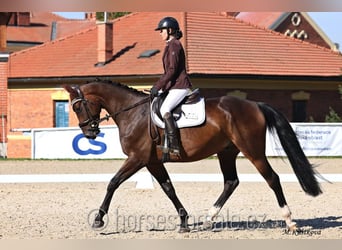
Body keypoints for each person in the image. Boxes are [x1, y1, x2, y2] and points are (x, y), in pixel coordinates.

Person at [150, 16, 192, 156]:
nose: (160, 33)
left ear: (170, 30)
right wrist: (161, 87)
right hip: (173, 86)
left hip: (180, 86)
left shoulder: (174, 45)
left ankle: (174, 145)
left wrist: (158, 86)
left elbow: (172, 71)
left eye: (161, 30)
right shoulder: (169, 45)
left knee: (165, 109)